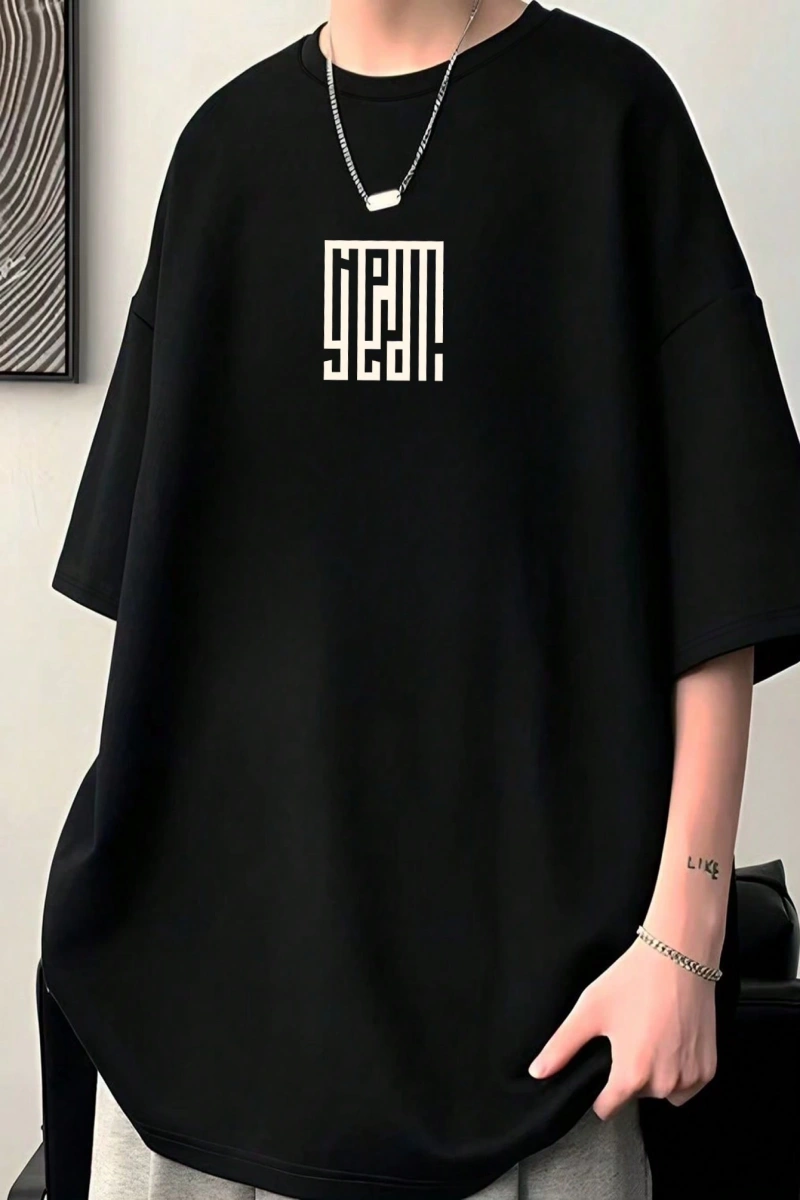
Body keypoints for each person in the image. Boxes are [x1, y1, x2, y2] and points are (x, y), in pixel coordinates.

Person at [41, 2, 800, 1199]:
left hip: (538, 1050)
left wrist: (684, 935)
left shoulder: (611, 122)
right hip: (200, 1043)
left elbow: (726, 566)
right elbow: (174, 612)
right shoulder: (225, 155)